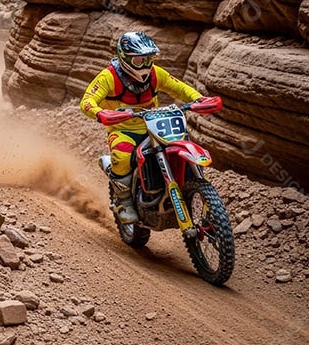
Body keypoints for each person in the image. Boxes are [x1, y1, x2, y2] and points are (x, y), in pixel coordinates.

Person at [79, 31, 219, 223]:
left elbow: (180, 88)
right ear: (124, 58)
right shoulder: (108, 77)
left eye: (148, 59)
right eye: (139, 60)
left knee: (182, 143)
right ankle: (124, 202)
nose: (145, 65)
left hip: (154, 125)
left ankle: (199, 192)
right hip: (123, 130)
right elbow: (87, 101)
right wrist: (100, 113)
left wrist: (198, 99)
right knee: (122, 156)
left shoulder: (156, 74)